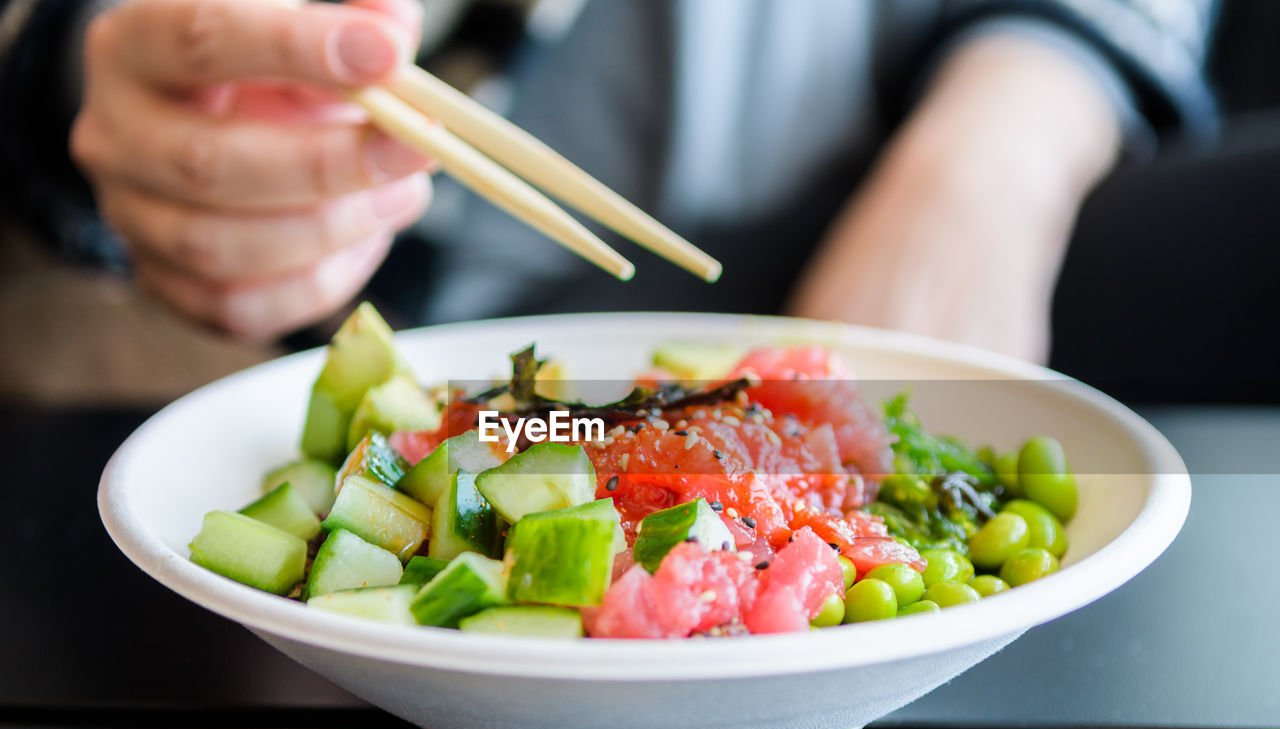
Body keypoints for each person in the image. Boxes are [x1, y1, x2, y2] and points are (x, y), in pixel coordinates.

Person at [1, 0, 1217, 360]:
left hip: (932, 192)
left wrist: (1000, 145)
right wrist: (114, 71)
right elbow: (106, 51)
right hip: (464, 314)